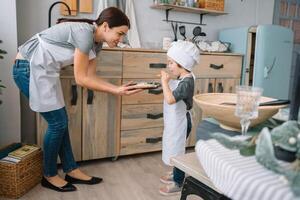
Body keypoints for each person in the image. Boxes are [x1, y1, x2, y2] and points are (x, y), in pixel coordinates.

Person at [12, 7, 142, 192]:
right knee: (58, 124)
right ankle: (49, 175)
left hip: (44, 72)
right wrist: (116, 90)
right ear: (105, 26)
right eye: (119, 34)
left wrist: (119, 89)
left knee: (61, 122)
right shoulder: (85, 34)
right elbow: (82, 79)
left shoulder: (96, 44)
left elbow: (91, 76)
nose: (120, 40)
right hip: (28, 69)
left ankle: (71, 170)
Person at [159, 41, 200, 195]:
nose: (168, 66)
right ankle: (176, 173)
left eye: (171, 63)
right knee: (175, 148)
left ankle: (178, 181)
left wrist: (164, 82)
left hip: (182, 121)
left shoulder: (187, 82)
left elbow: (170, 100)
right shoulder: (185, 77)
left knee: (178, 152)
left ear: (182, 63)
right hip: (176, 120)